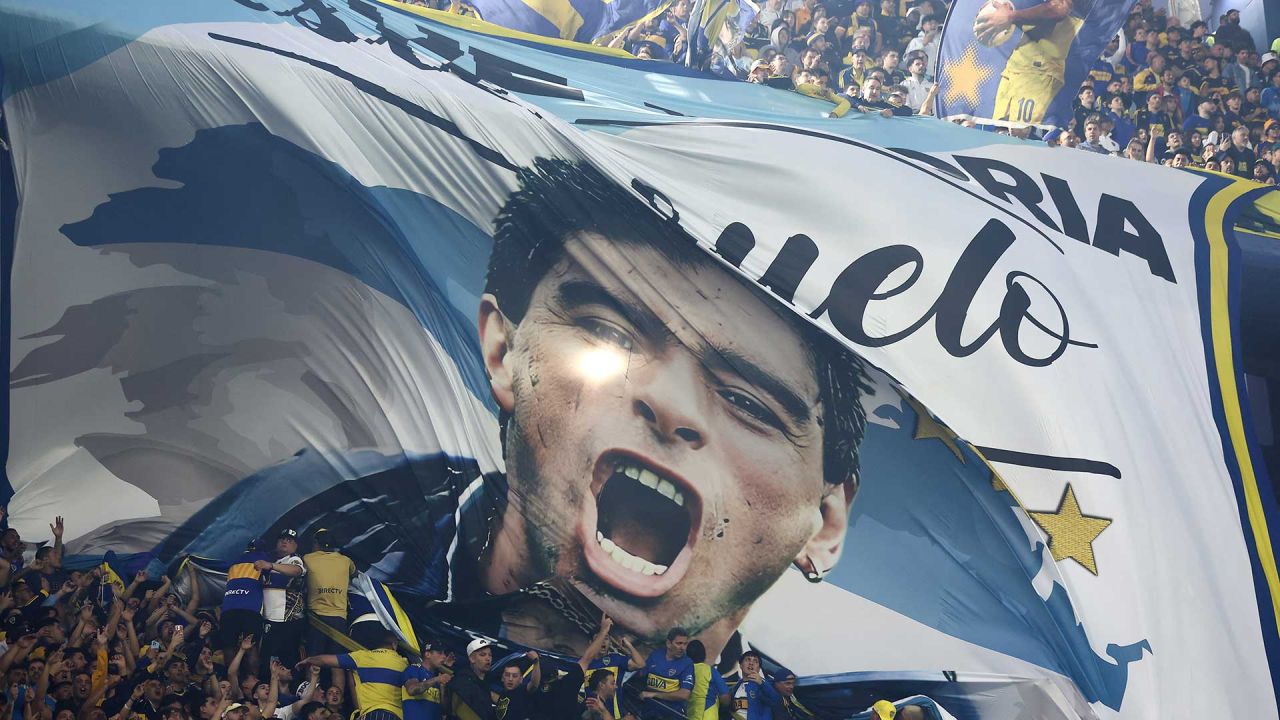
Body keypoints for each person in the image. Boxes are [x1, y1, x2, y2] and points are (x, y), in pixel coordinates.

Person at [976, 0, 1095, 126]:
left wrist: (1010, 16)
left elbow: (1059, 9)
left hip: (1039, 72)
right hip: (1016, 65)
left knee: (1021, 134)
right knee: (998, 129)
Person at [298, 621, 408, 720]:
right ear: (394, 645)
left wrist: (308, 660)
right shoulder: (404, 663)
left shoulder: (361, 657)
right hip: (396, 716)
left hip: (372, 714)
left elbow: (325, 660)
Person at [301, 530, 354, 693]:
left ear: (316, 544)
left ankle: (311, 699)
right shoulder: (346, 561)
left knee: (312, 661)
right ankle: (337, 702)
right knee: (337, 663)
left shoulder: (307, 558)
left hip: (316, 619)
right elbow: (354, 574)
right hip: (339, 618)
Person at [258, 529, 306, 679]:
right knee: (267, 661)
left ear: (295, 546)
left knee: (288, 661)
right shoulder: (273, 562)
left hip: (287, 620)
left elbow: (297, 571)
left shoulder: (293, 559)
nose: (285, 542)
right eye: (282, 539)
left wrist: (270, 566)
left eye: (290, 540)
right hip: (269, 620)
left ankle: (291, 694)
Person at [221, 541, 268, 663]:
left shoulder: (233, 561)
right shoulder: (263, 559)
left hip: (228, 607)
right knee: (251, 647)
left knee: (228, 646)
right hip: (250, 608)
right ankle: (252, 680)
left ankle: (227, 680)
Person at [639, 629, 694, 717]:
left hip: (671, 713)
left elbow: (684, 694)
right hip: (649, 711)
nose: (683, 648)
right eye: (679, 643)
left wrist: (655, 694)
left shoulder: (687, 663)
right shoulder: (655, 655)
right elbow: (640, 676)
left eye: (685, 644)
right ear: (668, 643)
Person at [402, 639, 451, 720]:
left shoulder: (437, 677)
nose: (444, 656)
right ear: (428, 654)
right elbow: (412, 689)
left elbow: (444, 711)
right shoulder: (414, 669)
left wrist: (443, 688)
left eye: (444, 653)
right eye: (439, 653)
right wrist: (436, 679)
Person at [449, 639, 496, 720]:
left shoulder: (485, 684)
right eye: (483, 655)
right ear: (472, 658)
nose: (488, 658)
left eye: (490, 655)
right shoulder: (462, 682)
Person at [683, 640, 727, 720]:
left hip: (691, 716)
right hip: (708, 716)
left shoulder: (684, 671)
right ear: (704, 655)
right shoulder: (710, 671)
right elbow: (725, 698)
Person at [728, 651, 778, 720]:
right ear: (741, 665)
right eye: (747, 659)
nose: (751, 663)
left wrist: (762, 683)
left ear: (759, 668)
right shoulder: (735, 688)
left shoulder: (763, 685)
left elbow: (775, 701)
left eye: (755, 661)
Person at [493, 653, 540, 720]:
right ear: (502, 678)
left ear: (521, 679)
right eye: (507, 675)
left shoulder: (521, 691)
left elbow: (534, 684)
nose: (510, 679)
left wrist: (536, 662)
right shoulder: (503, 693)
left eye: (514, 676)